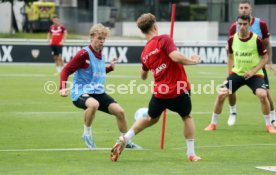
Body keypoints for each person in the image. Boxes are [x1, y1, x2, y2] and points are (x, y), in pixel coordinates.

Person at [110, 13, 201, 162]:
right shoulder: (163, 39)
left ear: (142, 31)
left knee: (151, 118)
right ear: (155, 26)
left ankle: (126, 137)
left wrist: (155, 67)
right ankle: (191, 154)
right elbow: (176, 57)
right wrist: (193, 61)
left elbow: (143, 76)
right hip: (178, 89)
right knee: (186, 117)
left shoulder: (145, 53)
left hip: (160, 93)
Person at [59, 23, 140, 149]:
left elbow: (97, 72)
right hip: (80, 92)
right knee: (93, 104)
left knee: (120, 112)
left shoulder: (100, 53)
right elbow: (66, 70)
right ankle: (87, 134)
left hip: (98, 92)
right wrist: (62, 87)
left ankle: (126, 141)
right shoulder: (83, 54)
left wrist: (110, 68)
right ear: (91, 37)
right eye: (99, 38)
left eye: (103, 39)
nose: (102, 41)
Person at [205, 15, 276, 134]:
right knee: (222, 94)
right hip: (237, 74)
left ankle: (269, 125)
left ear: (249, 25)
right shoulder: (232, 39)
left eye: (244, 24)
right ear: (237, 24)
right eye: (240, 24)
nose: (242, 26)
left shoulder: (257, 39)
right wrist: (229, 75)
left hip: (255, 74)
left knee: (263, 95)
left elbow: (265, 57)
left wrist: (253, 71)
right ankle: (213, 123)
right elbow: (230, 57)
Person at [226, 0, 276, 127]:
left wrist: (270, 62)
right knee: (229, 89)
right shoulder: (234, 26)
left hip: (258, 66)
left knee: (266, 93)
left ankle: (273, 116)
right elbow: (230, 46)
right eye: (241, 8)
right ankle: (232, 112)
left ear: (251, 9)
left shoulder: (261, 24)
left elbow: (267, 44)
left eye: (246, 7)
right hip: (240, 67)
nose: (243, 10)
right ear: (238, 10)